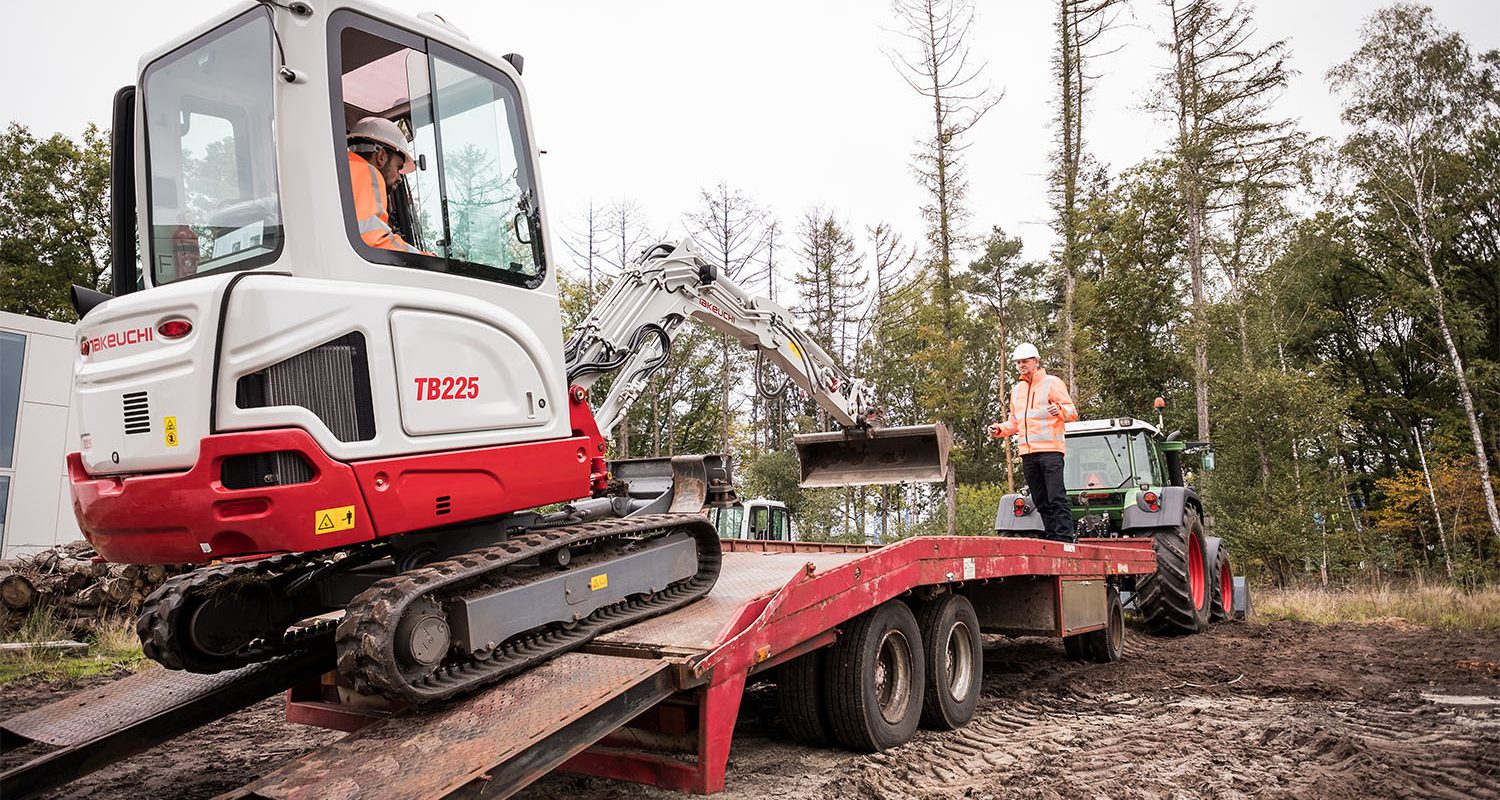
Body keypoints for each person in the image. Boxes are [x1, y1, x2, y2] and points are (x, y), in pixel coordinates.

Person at [989, 343, 1080, 542]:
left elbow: (1072, 412)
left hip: (1050, 452)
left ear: (1036, 361)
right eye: (1018, 362)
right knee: (1040, 500)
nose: (1021, 365)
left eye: (1025, 361)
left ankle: (1065, 539)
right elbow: (1015, 422)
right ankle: (1052, 538)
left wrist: (1060, 410)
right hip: (1028, 454)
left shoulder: (1052, 383)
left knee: (1056, 496)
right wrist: (1000, 429)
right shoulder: (1017, 390)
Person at [346, 116, 425, 254]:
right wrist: (426, 260)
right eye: (398, 167)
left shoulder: (338, 172)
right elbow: (372, 240)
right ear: (381, 156)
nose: (400, 178)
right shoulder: (365, 171)